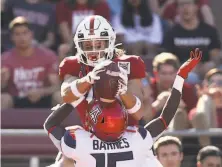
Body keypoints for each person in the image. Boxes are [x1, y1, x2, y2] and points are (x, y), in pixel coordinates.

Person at [44, 48, 202, 166]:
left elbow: (50, 124)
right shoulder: (137, 139)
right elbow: (165, 118)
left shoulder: (77, 142)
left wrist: (79, 95)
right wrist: (180, 76)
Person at [57, 14, 153, 166]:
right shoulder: (73, 65)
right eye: (88, 45)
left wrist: (122, 91)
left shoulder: (129, 63)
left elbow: (138, 112)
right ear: (79, 46)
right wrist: (88, 79)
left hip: (127, 138)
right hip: (91, 138)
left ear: (110, 42)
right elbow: (66, 95)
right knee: (65, 161)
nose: (94, 50)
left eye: (99, 44)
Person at [1, 16, 61, 109]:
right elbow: (2, 88)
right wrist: (2, 82)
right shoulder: (5, 58)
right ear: (12, 37)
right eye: (17, 34)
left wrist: (41, 92)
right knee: (3, 99)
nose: (22, 37)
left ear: (31, 34)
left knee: (59, 96)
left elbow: (57, 86)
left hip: (43, 98)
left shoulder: (48, 56)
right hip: (17, 99)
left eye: (25, 33)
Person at [162, 0, 221, 80]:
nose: (185, 8)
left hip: (208, 71)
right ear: (177, 9)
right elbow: (168, 60)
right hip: (183, 74)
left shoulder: (209, 31)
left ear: (196, 7)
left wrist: (211, 64)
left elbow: (215, 54)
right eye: (181, 5)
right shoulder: (171, 33)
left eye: (188, 4)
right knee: (191, 77)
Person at [150, 52, 198, 131]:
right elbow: (142, 117)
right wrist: (157, 105)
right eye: (163, 73)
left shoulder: (186, 89)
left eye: (171, 73)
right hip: (152, 132)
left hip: (182, 134)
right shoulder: (149, 88)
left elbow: (193, 117)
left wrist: (181, 106)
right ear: (156, 73)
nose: (167, 77)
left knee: (179, 113)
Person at [189, 68, 222, 146]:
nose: (215, 85)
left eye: (220, 82)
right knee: (205, 99)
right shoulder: (196, 109)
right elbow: (194, 118)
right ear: (206, 85)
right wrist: (204, 97)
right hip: (204, 149)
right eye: (211, 82)